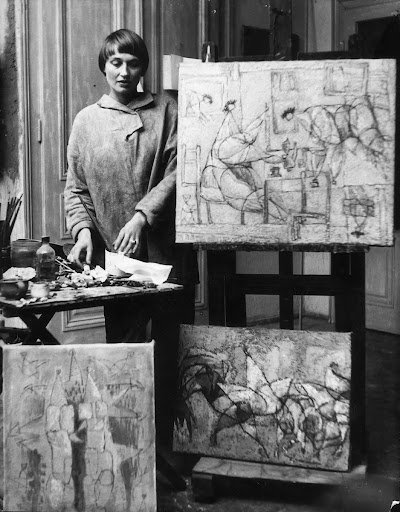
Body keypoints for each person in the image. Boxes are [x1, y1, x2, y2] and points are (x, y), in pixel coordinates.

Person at [64, 28, 198, 445]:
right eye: (116, 62)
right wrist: (83, 231)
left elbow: (180, 171)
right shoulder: (86, 122)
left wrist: (143, 216)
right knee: (123, 355)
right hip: (117, 263)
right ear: (104, 67)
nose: (124, 71)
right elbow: (76, 188)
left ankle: (171, 447)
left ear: (143, 68)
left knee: (173, 350)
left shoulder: (167, 110)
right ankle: (128, 447)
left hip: (168, 254)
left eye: (133, 63)